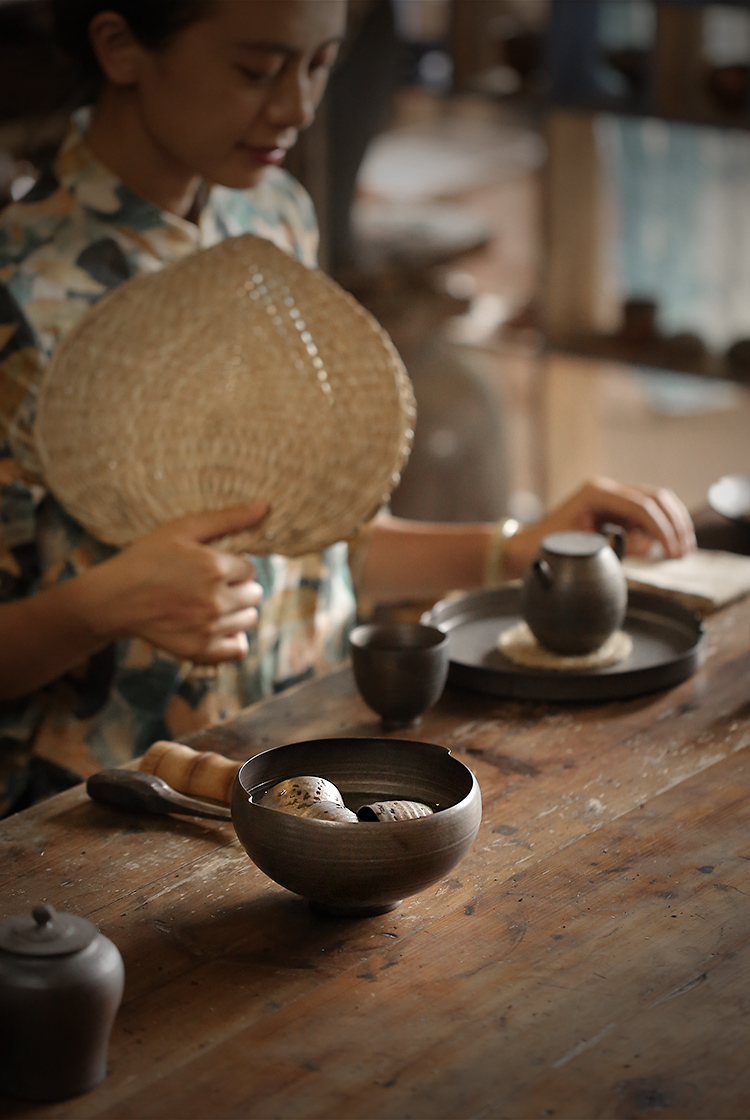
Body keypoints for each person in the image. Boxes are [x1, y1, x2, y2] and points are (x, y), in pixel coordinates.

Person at [0, 0, 695, 815]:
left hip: (310, 769)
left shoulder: (273, 214)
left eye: (320, 64)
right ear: (119, 45)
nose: (297, 107)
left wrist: (517, 551)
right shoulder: (21, 288)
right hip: (111, 810)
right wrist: (101, 605)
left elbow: (319, 550)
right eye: (256, 70)